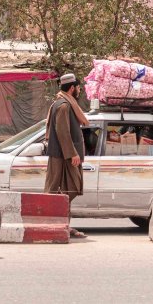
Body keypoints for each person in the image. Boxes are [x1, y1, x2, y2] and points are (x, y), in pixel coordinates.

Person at [45, 73, 90, 239]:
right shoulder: (63, 105)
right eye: (78, 87)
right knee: (65, 190)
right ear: (72, 88)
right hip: (63, 157)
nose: (79, 90)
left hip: (64, 156)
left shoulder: (66, 104)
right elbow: (63, 132)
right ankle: (56, 226)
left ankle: (64, 225)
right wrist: (72, 154)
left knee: (66, 191)